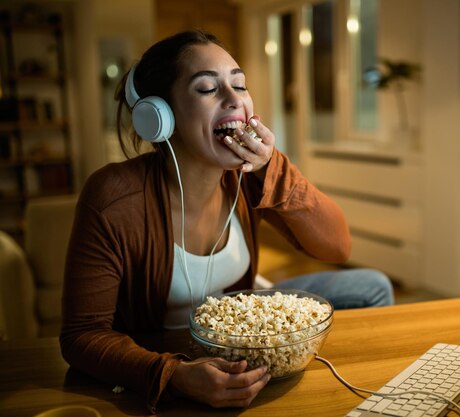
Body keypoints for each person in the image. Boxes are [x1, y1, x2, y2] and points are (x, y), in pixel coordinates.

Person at [60, 30, 394, 413]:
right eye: (207, 89)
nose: (235, 99)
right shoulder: (113, 196)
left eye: (240, 84)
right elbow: (81, 336)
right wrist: (173, 375)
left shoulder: (247, 175)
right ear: (160, 116)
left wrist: (273, 166)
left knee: (371, 286)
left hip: (242, 334)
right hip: (167, 352)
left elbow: (337, 247)